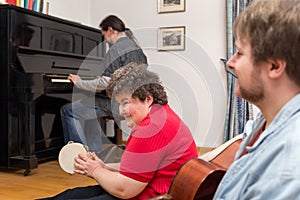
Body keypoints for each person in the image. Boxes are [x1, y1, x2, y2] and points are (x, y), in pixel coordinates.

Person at [40, 62, 198, 200]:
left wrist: (94, 170)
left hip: (148, 196)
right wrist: (103, 166)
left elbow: (124, 190)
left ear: (148, 99)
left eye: (125, 102)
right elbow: (136, 167)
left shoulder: (150, 129)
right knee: (69, 195)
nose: (121, 111)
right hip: (148, 189)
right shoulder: (161, 113)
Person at [213, 0, 300, 199]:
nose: (231, 63)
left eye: (240, 53)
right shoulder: (266, 121)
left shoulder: (289, 165)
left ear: (275, 66)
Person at [60, 15, 148, 153]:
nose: (105, 41)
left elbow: (105, 83)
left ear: (111, 30)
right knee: (90, 102)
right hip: (135, 102)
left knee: (68, 111)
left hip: (117, 105)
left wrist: (80, 82)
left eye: (104, 36)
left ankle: (79, 155)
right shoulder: (137, 49)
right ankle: (95, 150)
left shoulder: (116, 49)